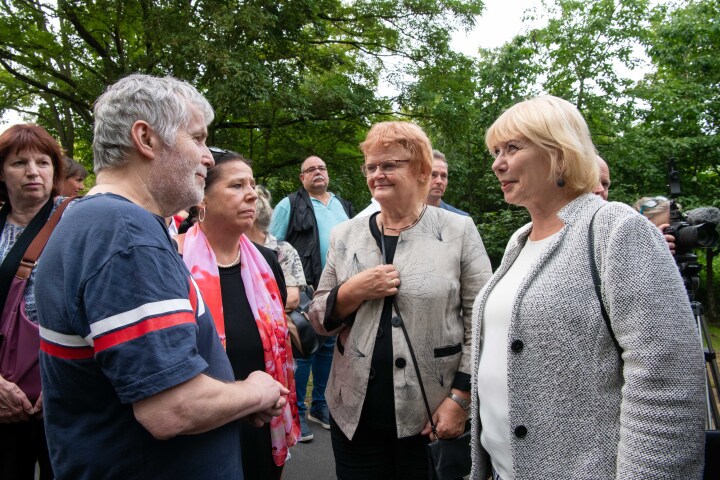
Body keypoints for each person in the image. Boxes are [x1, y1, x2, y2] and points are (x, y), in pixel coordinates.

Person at [35, 74, 288, 479]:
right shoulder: (127, 239)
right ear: (146, 139)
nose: (208, 157)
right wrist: (255, 390)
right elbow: (172, 409)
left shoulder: (95, 222)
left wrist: (233, 403)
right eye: (198, 138)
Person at [471, 95, 705, 479]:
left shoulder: (618, 228)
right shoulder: (519, 239)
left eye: (512, 148)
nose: (498, 163)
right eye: (496, 151)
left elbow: (667, 381)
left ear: (559, 153)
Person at [308, 121, 493, 479]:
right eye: (372, 167)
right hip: (354, 414)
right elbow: (318, 317)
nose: (377, 174)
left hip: (429, 412)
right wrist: (353, 291)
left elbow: (481, 320)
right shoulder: (346, 235)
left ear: (422, 170)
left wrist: (460, 399)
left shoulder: (457, 231)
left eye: (389, 165)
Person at [175, 148, 299, 479]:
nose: (251, 195)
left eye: (253, 185)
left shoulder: (267, 262)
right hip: (201, 426)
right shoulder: (173, 259)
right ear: (200, 199)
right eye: (236, 186)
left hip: (261, 421)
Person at [269, 155, 354, 440]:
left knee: (329, 348)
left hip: (337, 288)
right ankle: (297, 409)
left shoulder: (342, 204)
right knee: (304, 349)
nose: (318, 172)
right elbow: (271, 244)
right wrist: (286, 287)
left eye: (322, 168)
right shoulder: (289, 204)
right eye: (311, 169)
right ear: (302, 177)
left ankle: (319, 406)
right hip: (304, 290)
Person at [0, 123, 67, 480]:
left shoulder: (78, 220)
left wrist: (65, 380)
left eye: (43, 162)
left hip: (64, 386)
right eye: (18, 163)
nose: (32, 172)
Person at [247, 185, 307, 312]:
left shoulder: (281, 250)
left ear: (253, 217)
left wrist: (252, 313)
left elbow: (291, 299)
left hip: (275, 324)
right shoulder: (232, 248)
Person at [426, 150, 469, 216]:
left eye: (443, 176)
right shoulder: (405, 216)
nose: (439, 181)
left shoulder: (461, 219)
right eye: (433, 175)